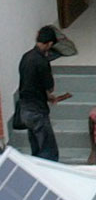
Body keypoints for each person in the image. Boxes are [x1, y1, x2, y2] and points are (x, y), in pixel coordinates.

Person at [14, 26, 69, 162]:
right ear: (49, 44)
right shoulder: (42, 62)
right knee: (48, 151)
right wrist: (49, 96)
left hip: (25, 108)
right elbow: (49, 88)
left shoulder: (26, 57)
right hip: (37, 109)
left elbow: (27, 82)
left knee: (36, 147)